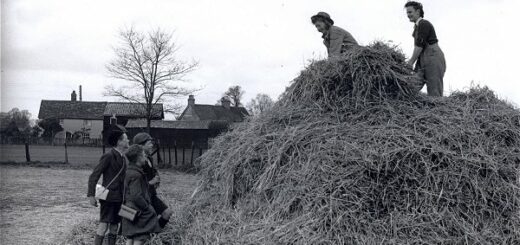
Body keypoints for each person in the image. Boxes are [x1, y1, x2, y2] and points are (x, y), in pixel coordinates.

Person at [87, 130, 129, 245]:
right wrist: (91, 195)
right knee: (103, 226)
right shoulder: (108, 156)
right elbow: (94, 176)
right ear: (119, 142)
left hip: (120, 198)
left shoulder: (124, 158)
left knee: (114, 227)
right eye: (126, 138)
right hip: (109, 198)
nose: (128, 140)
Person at [121, 144, 161, 245]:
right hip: (137, 210)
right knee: (141, 237)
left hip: (127, 209)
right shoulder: (136, 175)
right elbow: (136, 196)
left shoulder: (129, 171)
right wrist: (147, 207)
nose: (145, 157)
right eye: (143, 155)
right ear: (138, 158)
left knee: (130, 237)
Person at [405, 1, 446, 97]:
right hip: (422, 58)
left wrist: (411, 62)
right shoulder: (417, 27)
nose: (408, 15)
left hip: (433, 57)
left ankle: (437, 111)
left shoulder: (424, 24)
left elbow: (419, 45)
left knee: (434, 91)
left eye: (410, 12)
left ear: (418, 12)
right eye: (407, 13)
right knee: (411, 86)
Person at [132, 132, 172, 228]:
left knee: (167, 213)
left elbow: (152, 171)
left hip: (151, 195)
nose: (152, 145)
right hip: (142, 198)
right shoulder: (136, 162)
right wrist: (150, 182)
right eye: (149, 143)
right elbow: (134, 182)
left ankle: (154, 234)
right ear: (141, 145)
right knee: (139, 221)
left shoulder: (149, 157)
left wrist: (157, 175)